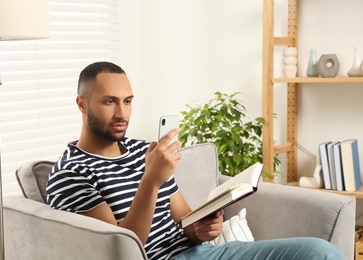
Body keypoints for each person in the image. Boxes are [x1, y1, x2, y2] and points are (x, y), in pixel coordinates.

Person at [46, 61, 344, 260]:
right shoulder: (71, 174)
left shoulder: (142, 150)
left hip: (201, 253)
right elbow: (122, 251)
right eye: (109, 101)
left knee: (320, 252)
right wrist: (151, 180)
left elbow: (184, 220)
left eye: (128, 101)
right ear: (82, 104)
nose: (122, 113)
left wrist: (201, 228)